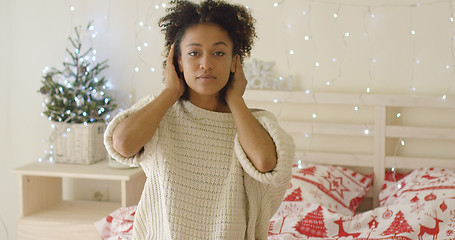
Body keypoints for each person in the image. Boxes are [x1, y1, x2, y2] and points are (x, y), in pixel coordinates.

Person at [104, 0, 295, 239]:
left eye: (219, 53)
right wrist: (170, 92)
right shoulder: (161, 113)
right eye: (194, 53)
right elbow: (123, 144)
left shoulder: (252, 122)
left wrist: (236, 100)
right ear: (178, 61)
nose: (206, 63)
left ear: (234, 62)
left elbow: (266, 164)